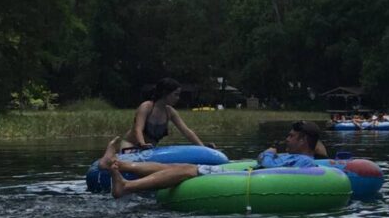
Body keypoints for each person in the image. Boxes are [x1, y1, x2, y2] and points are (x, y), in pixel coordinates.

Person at [110, 121, 322, 199]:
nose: (287, 139)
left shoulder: (303, 162)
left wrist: (267, 153)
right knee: (180, 166)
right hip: (248, 174)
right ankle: (122, 164)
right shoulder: (292, 157)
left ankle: (128, 186)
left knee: (187, 170)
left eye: (291, 136)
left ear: (303, 139)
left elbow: (268, 166)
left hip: (248, 180)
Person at [97, 78, 206, 170]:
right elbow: (138, 129)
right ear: (165, 93)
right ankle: (109, 159)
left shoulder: (170, 111)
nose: (178, 98)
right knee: (133, 166)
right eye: (175, 95)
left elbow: (187, 131)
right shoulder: (147, 107)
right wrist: (142, 144)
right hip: (132, 145)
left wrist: (203, 148)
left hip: (149, 150)